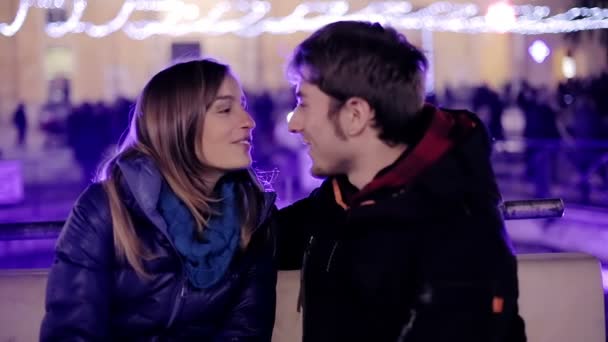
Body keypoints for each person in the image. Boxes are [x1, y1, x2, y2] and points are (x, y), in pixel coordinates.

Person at [274, 21, 526, 342]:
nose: (293, 123)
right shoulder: (344, 199)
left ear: (355, 115)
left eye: (304, 102)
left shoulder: (456, 235)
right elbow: (266, 241)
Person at [40, 59, 277, 341]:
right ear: (178, 123)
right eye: (225, 109)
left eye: (244, 106)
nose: (248, 122)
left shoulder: (253, 216)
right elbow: (72, 332)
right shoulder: (106, 208)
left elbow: (244, 332)